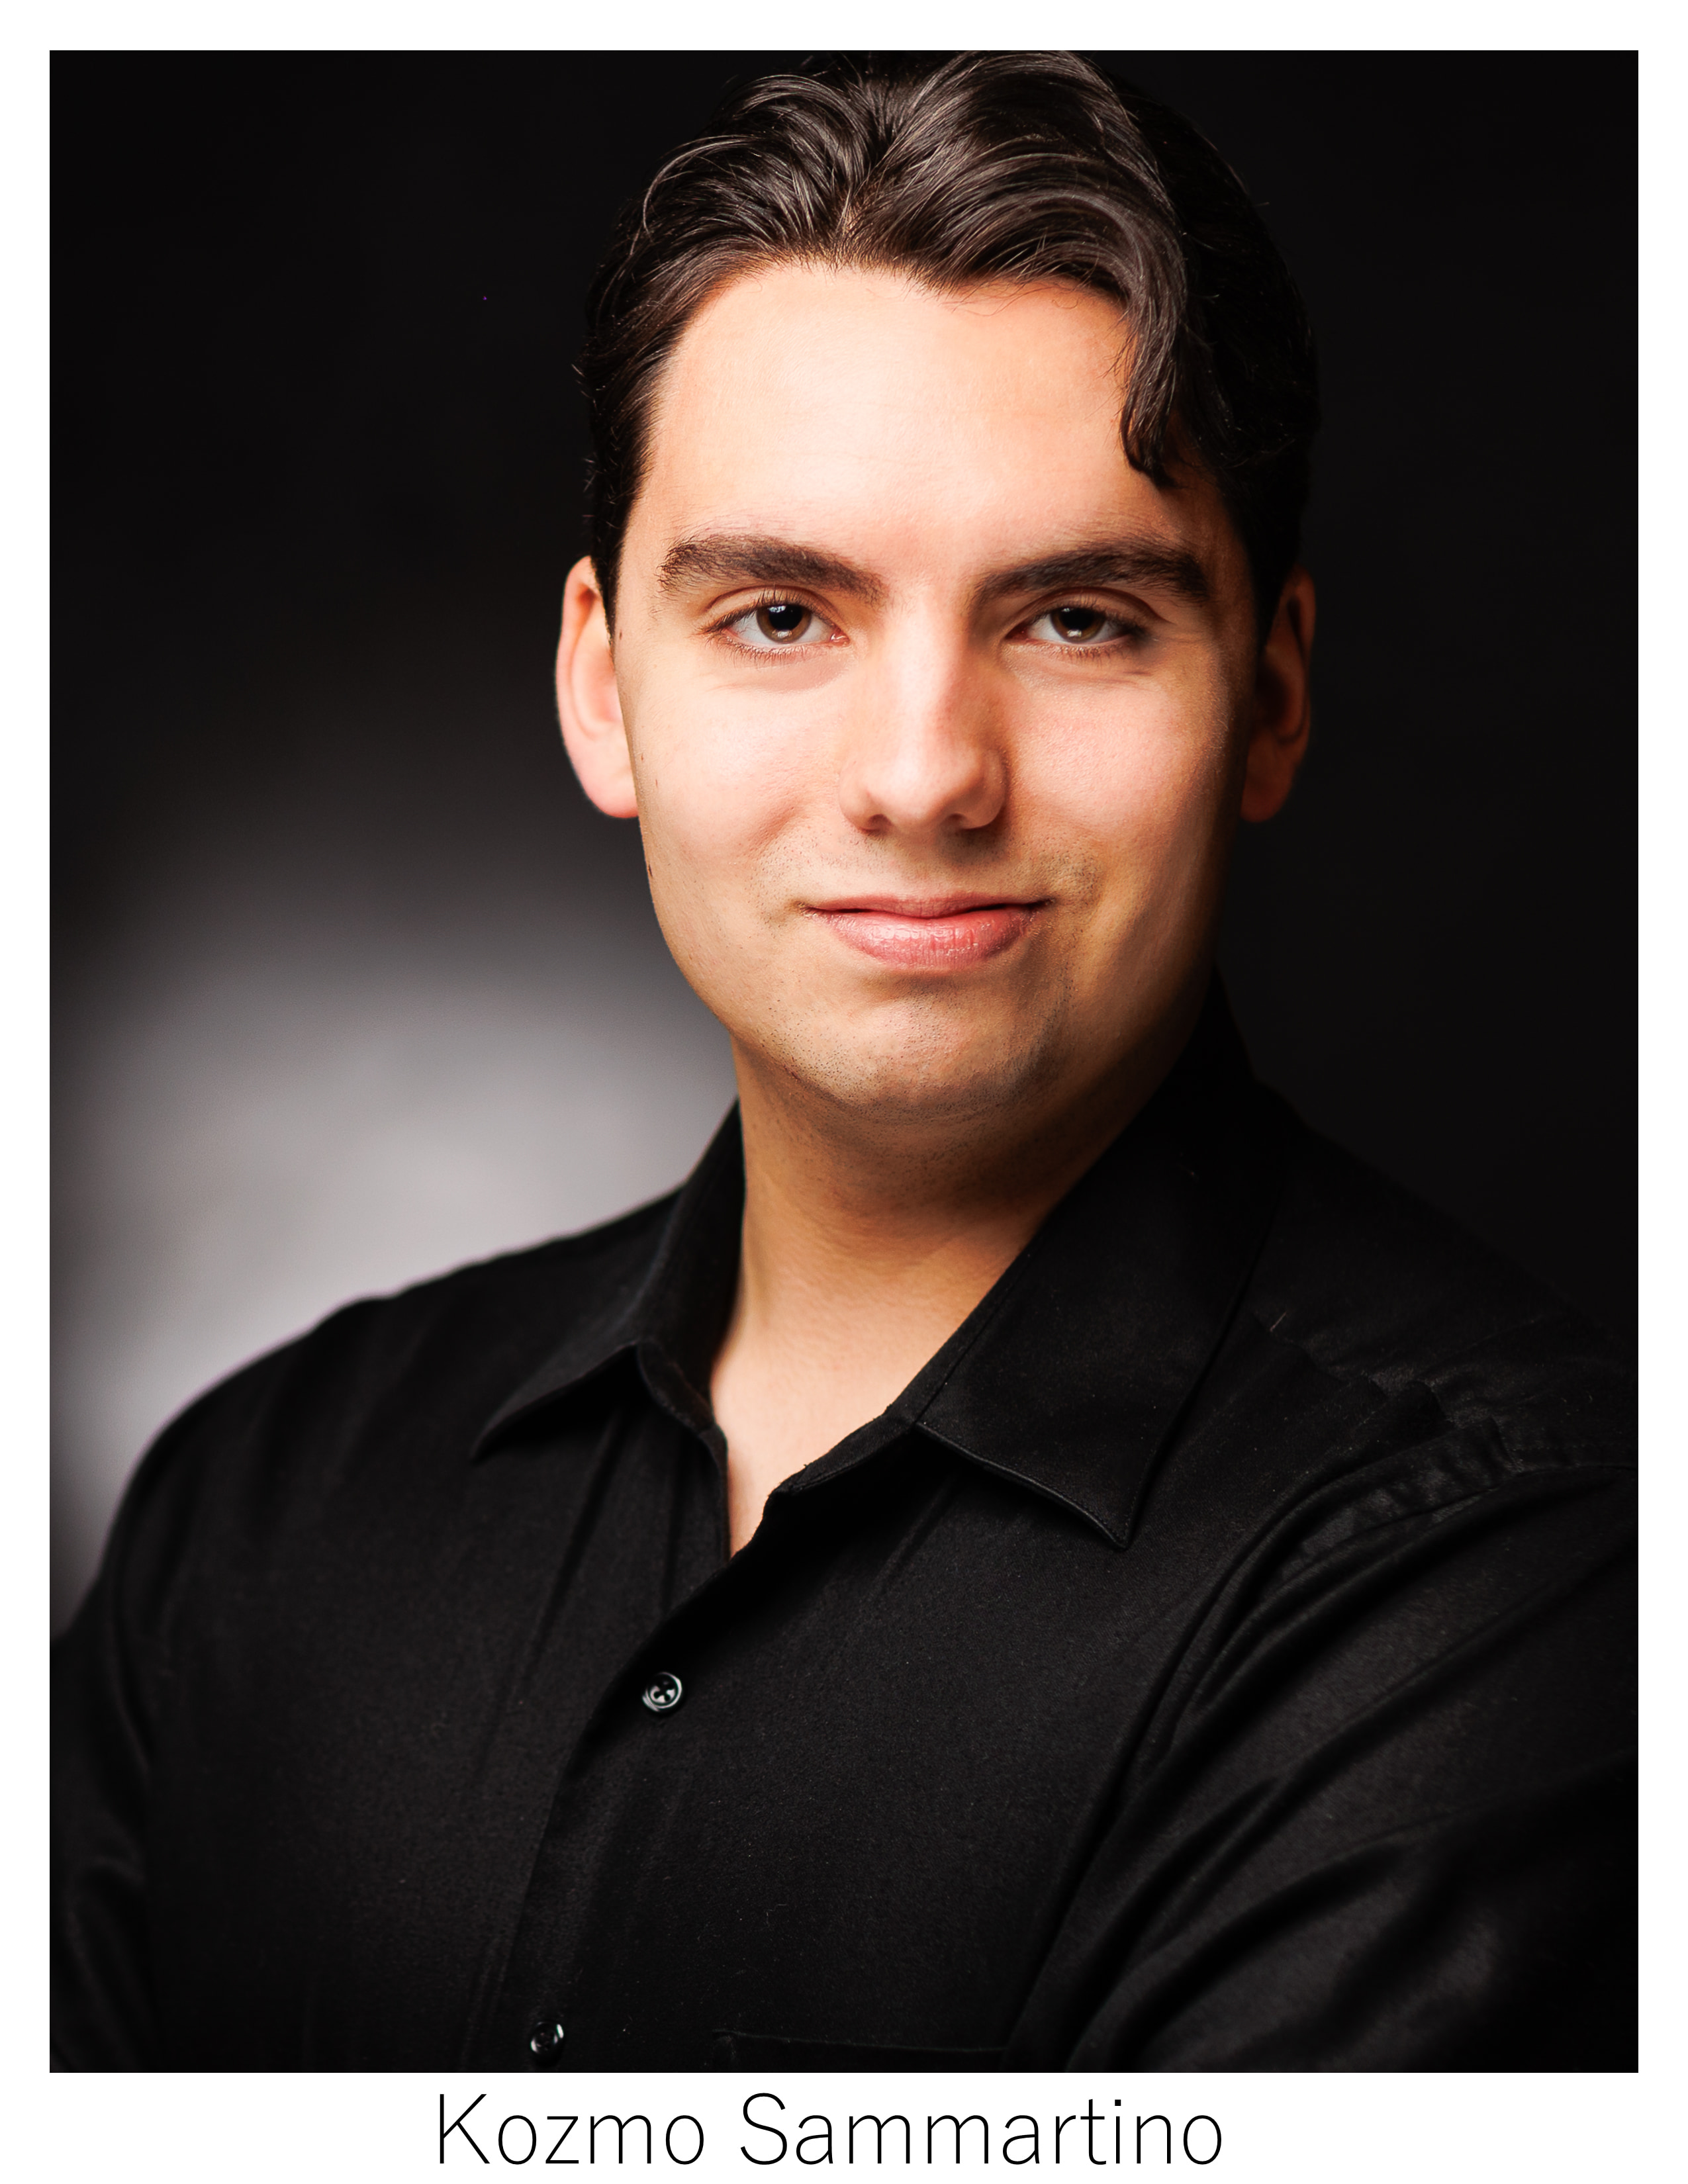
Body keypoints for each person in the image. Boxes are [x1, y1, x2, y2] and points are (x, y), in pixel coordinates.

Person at [52, 50, 1634, 2072]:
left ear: (1273, 698)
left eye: (1075, 620)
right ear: (603, 693)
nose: (921, 777)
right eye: (784, 613)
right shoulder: (260, 1510)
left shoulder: (1517, 1574)